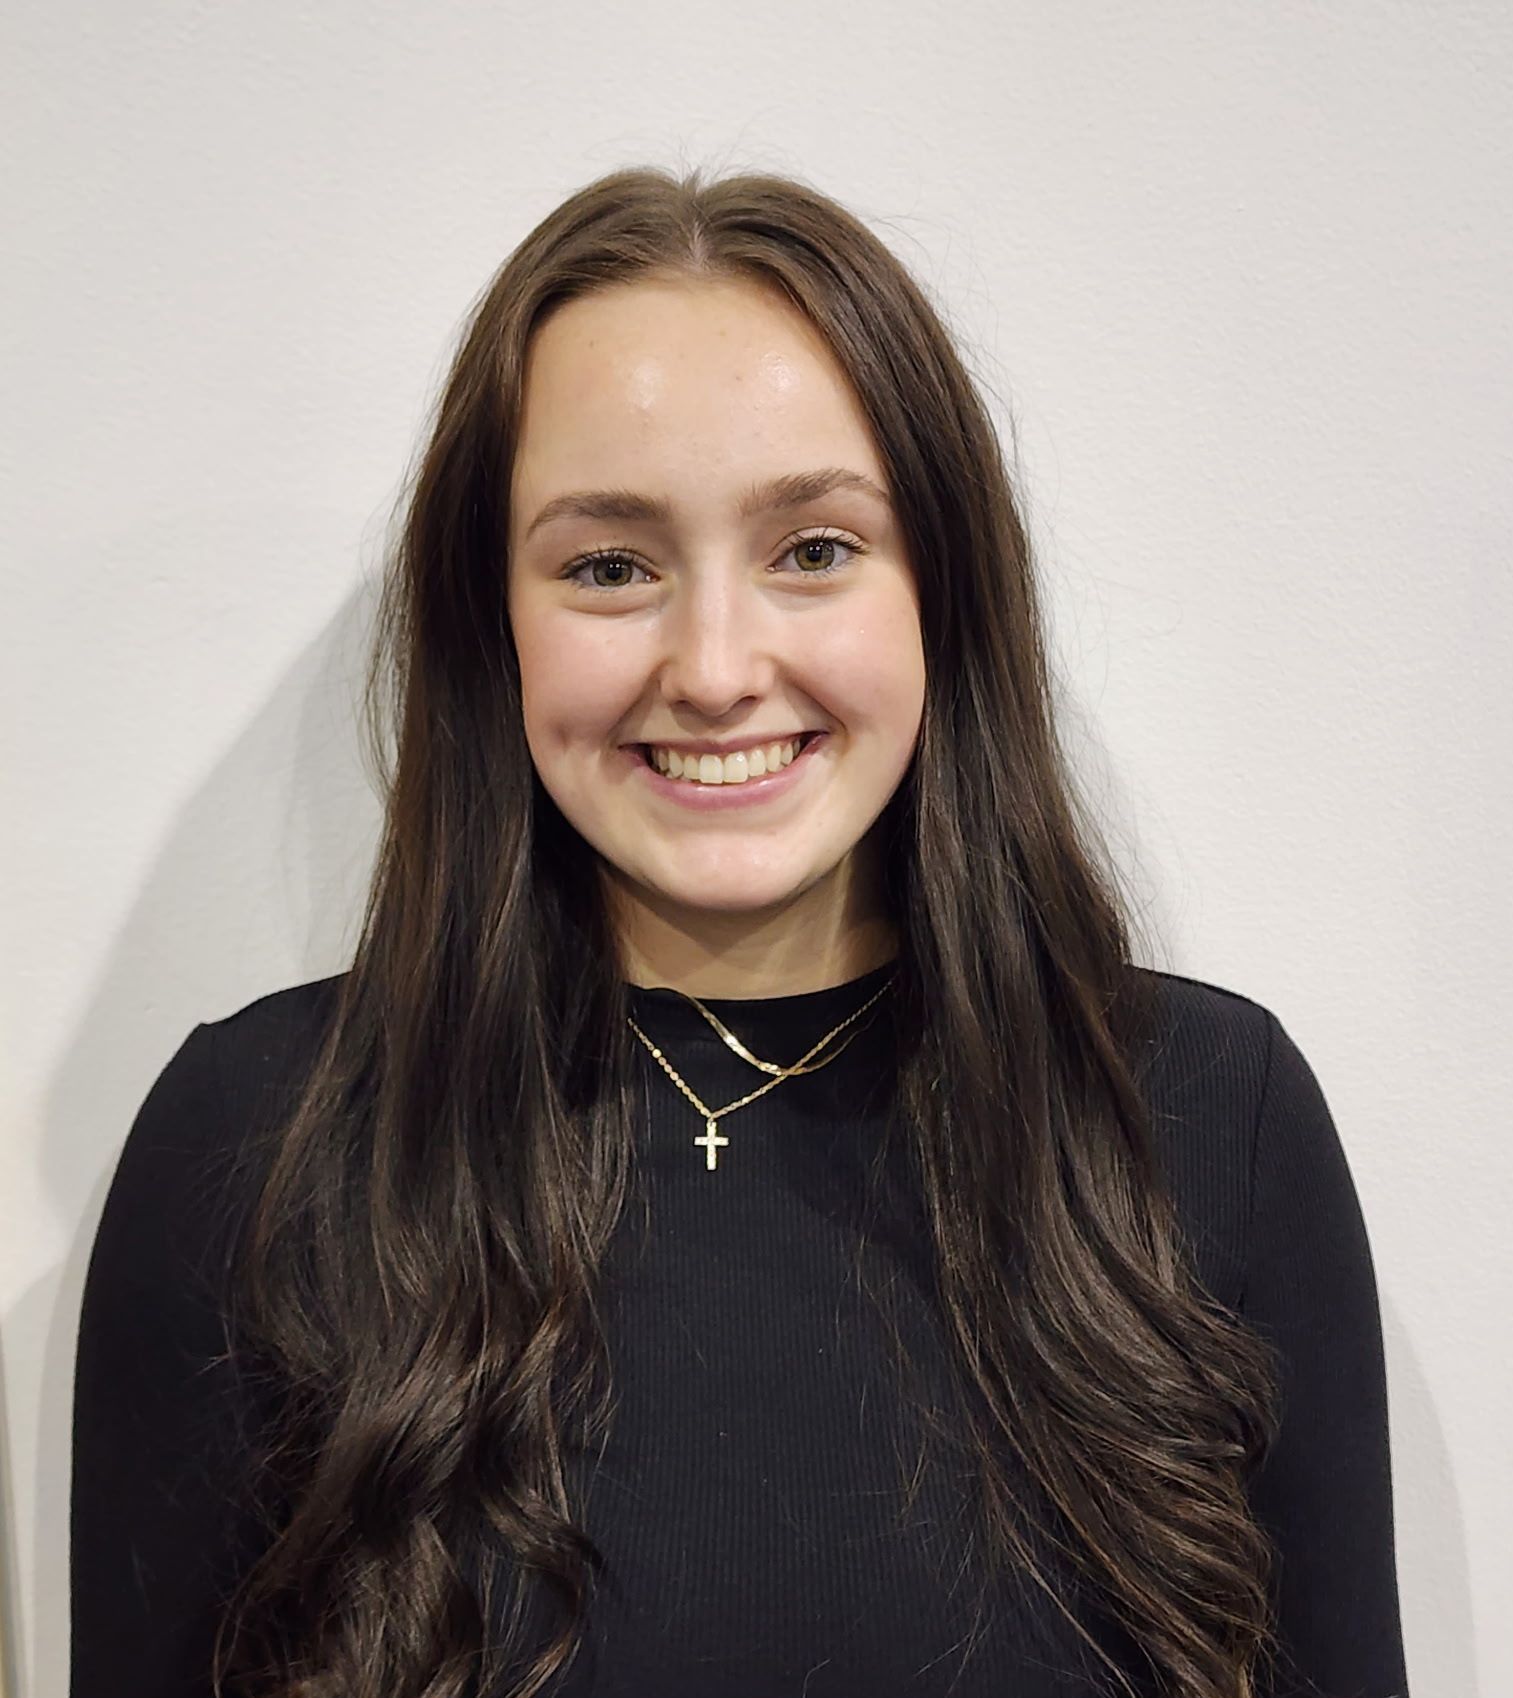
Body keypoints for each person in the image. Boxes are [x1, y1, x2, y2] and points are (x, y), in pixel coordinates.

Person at [69, 165, 1410, 1698]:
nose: (714, 665)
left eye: (815, 548)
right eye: (609, 565)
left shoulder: (1204, 1117)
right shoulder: (259, 1140)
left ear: (943, 593)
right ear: (488, 619)